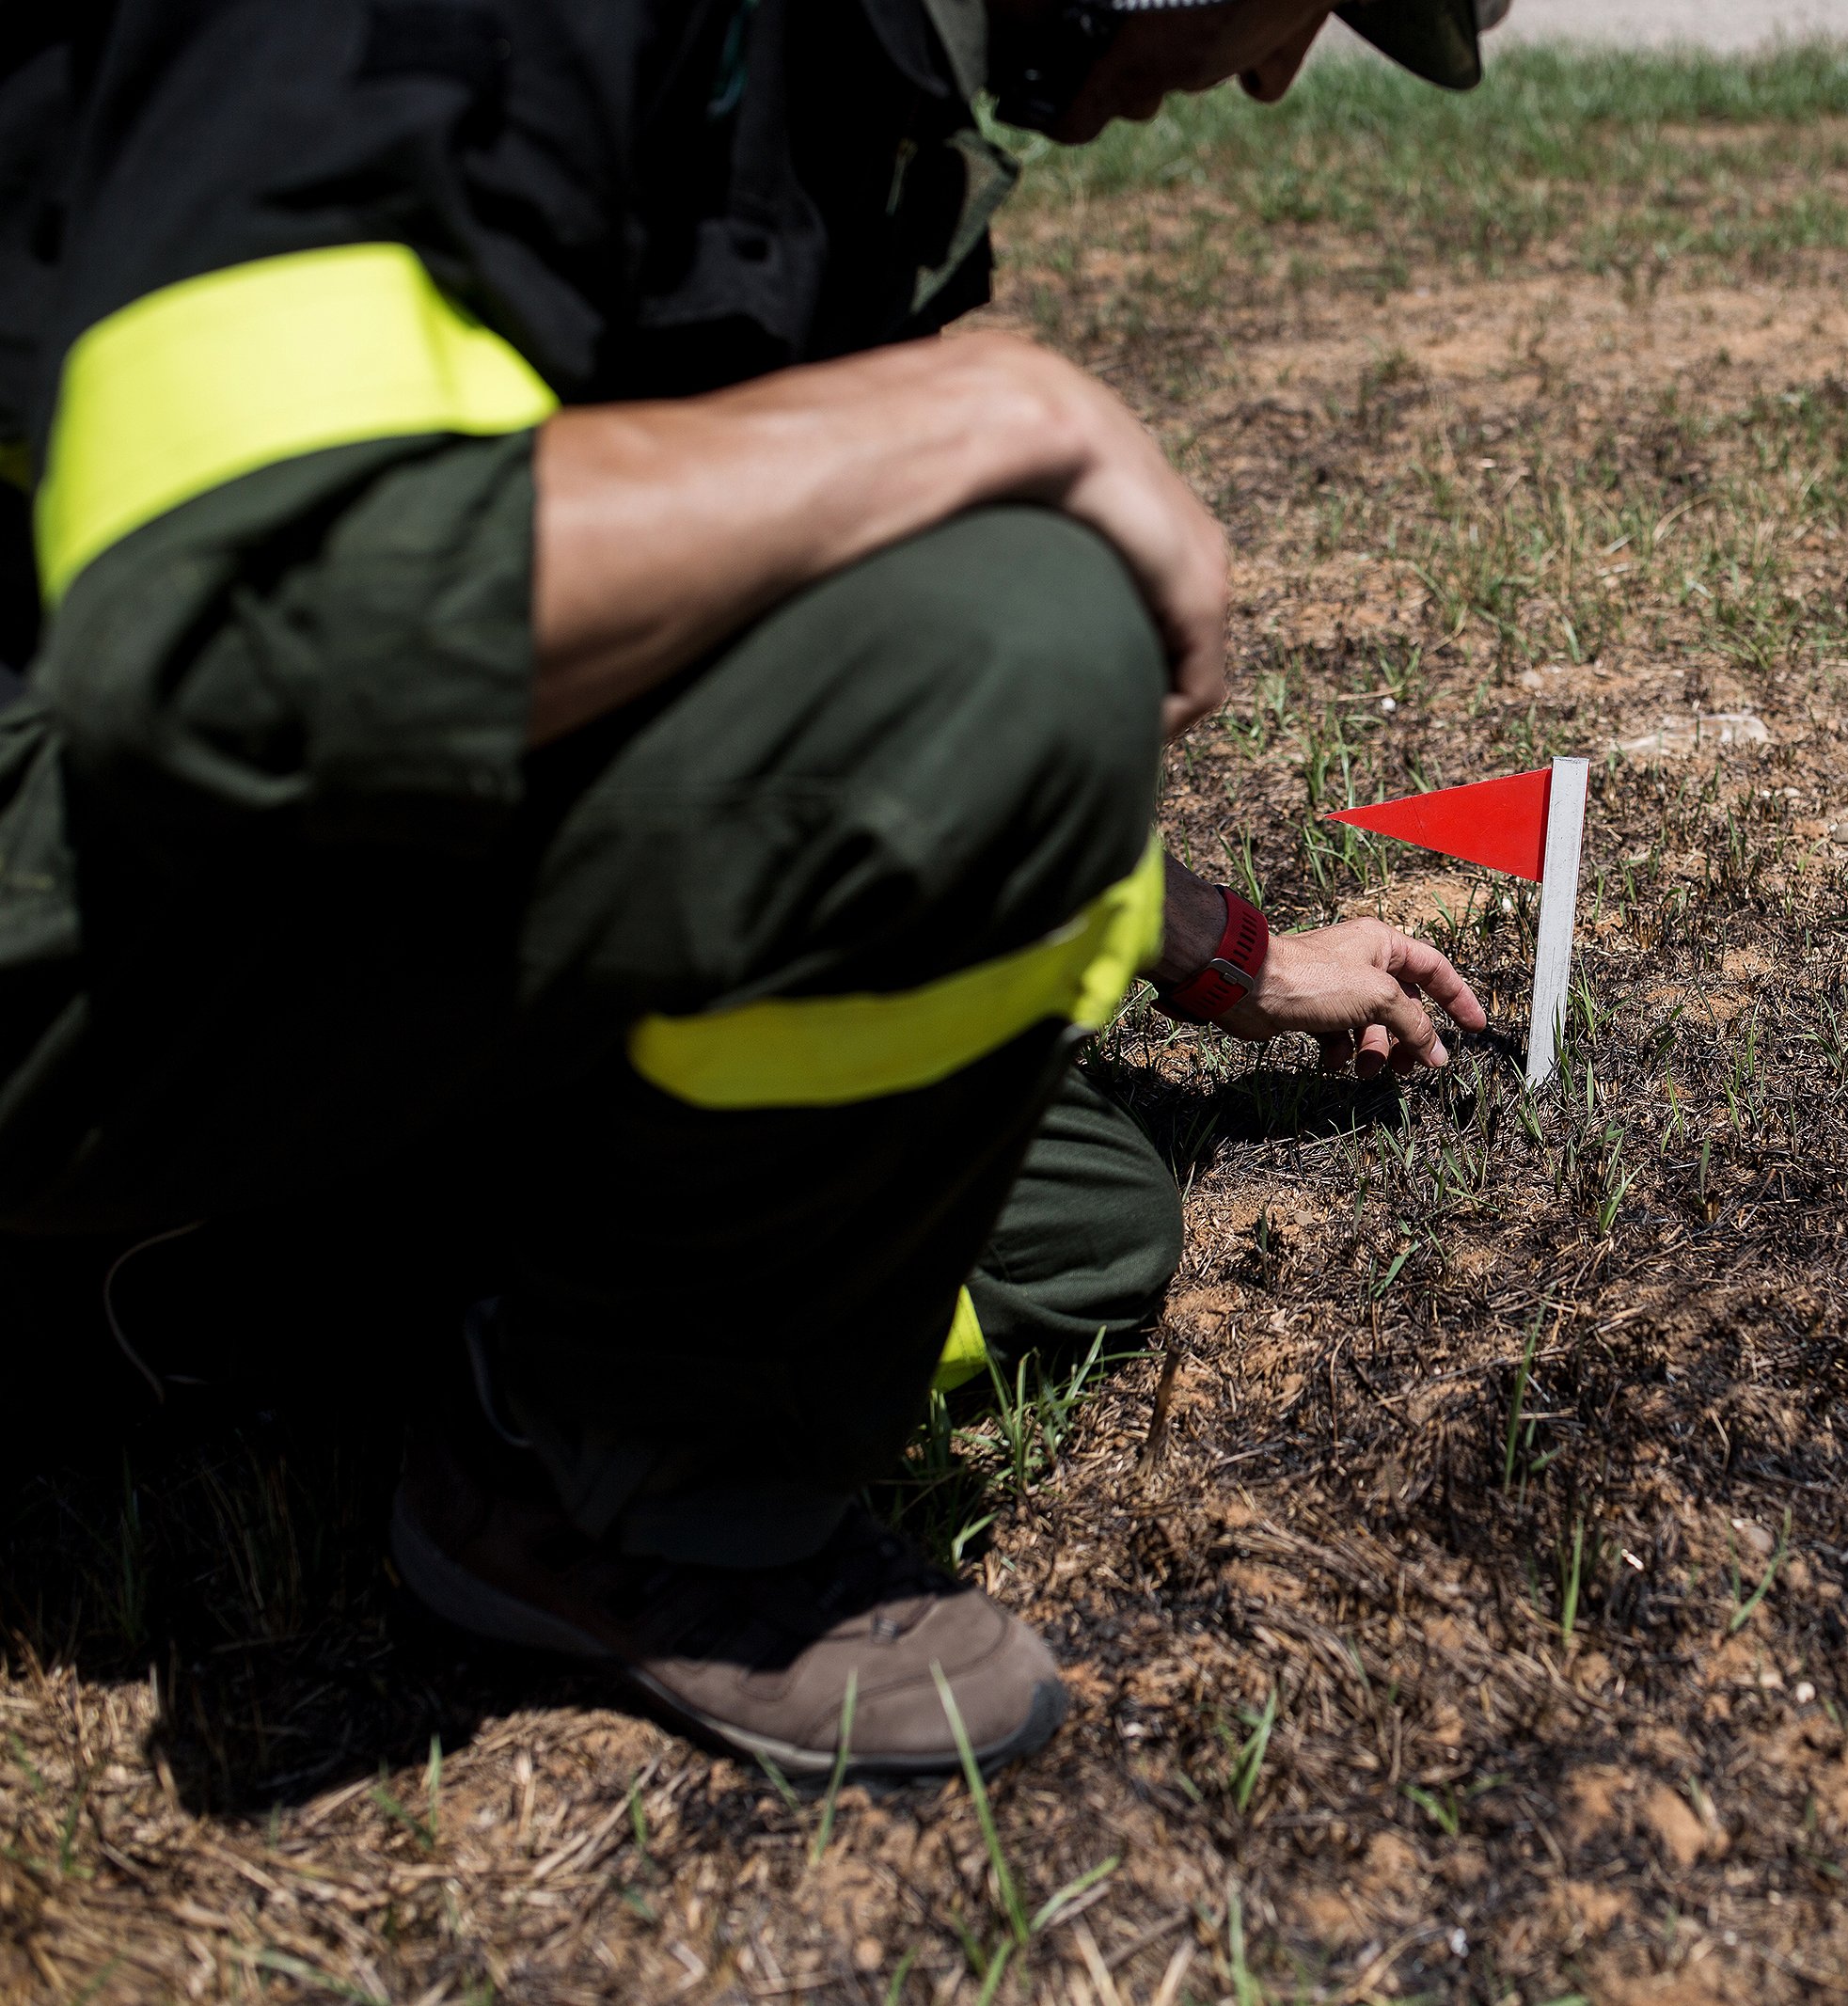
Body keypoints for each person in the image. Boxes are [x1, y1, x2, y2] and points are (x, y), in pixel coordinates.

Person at [0, 0, 1503, 1778]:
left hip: (290, 844)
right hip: (101, 809)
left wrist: (1225, 952)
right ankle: (615, 1493)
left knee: (1069, 1214)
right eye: (1310, 6)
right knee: (1020, 626)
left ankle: (285, 1302)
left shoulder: (854, 95)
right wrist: (975, 411)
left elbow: (745, 659)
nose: (1267, 75)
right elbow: (251, 630)